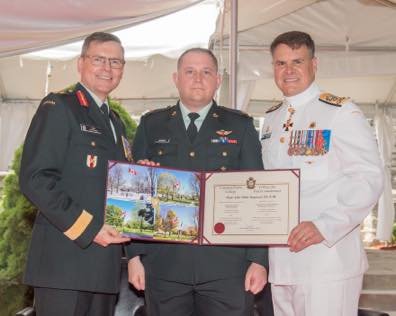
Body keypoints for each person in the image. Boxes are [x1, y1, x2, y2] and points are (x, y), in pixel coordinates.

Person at [126, 48, 269, 316]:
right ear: (176, 78)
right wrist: (134, 256)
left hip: (227, 266)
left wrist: (258, 260)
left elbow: (256, 193)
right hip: (165, 264)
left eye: (206, 72)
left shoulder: (241, 125)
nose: (198, 78)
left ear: (218, 80)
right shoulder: (151, 125)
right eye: (189, 71)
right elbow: (138, 192)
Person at [261, 31, 384, 316]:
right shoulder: (272, 119)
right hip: (281, 263)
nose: (288, 71)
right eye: (280, 64)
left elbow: (368, 177)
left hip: (328, 260)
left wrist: (325, 225)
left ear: (314, 64)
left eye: (297, 61)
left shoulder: (340, 112)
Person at [19, 32, 131, 316]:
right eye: (98, 59)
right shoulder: (60, 107)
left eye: (115, 62)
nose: (107, 68)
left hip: (104, 268)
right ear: (80, 63)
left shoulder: (115, 122)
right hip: (64, 265)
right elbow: (36, 179)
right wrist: (90, 229)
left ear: (122, 70)